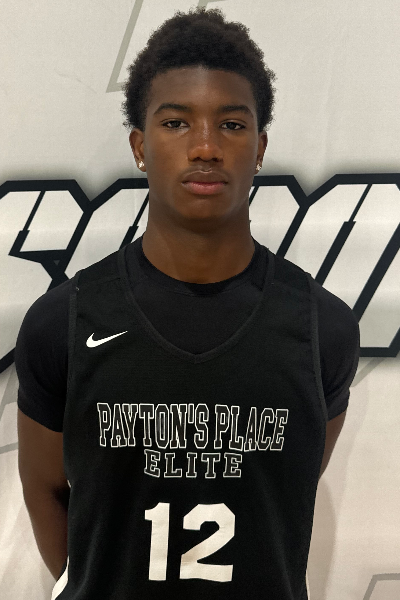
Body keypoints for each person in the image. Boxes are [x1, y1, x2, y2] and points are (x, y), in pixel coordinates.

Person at [15, 7, 360, 600]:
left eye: (231, 124)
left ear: (259, 148)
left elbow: (287, 489)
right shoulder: (62, 322)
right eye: (176, 123)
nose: (205, 146)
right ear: (140, 145)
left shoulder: (322, 328)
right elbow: (45, 489)